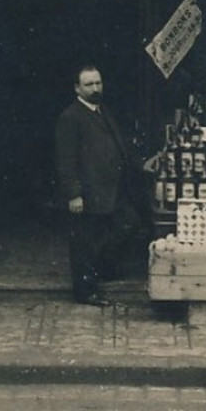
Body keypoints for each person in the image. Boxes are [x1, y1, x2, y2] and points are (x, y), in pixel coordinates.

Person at [55, 65, 143, 307]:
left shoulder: (103, 111)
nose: (95, 89)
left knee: (128, 224)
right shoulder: (70, 117)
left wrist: (140, 164)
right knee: (85, 241)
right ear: (77, 88)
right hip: (88, 191)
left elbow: (119, 144)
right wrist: (74, 194)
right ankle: (86, 291)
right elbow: (65, 159)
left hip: (111, 188)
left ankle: (103, 269)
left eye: (98, 83)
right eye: (89, 84)